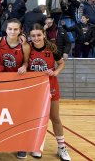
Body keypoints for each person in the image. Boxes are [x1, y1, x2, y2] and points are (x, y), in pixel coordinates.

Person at [28, 23, 71, 160]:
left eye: (39, 35)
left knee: (55, 118)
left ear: (44, 34)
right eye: (33, 36)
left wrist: (55, 72)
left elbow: (61, 63)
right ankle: (37, 146)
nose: (36, 38)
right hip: (33, 90)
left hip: (50, 87)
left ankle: (62, 148)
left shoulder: (52, 48)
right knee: (35, 119)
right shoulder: (27, 48)